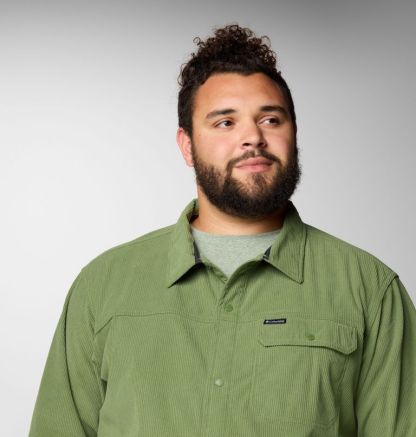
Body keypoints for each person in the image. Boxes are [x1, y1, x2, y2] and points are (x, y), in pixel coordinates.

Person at [29, 24, 416, 437]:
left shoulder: (371, 291)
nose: (253, 137)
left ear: (293, 135)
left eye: (270, 119)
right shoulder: (102, 286)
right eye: (225, 122)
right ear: (187, 145)